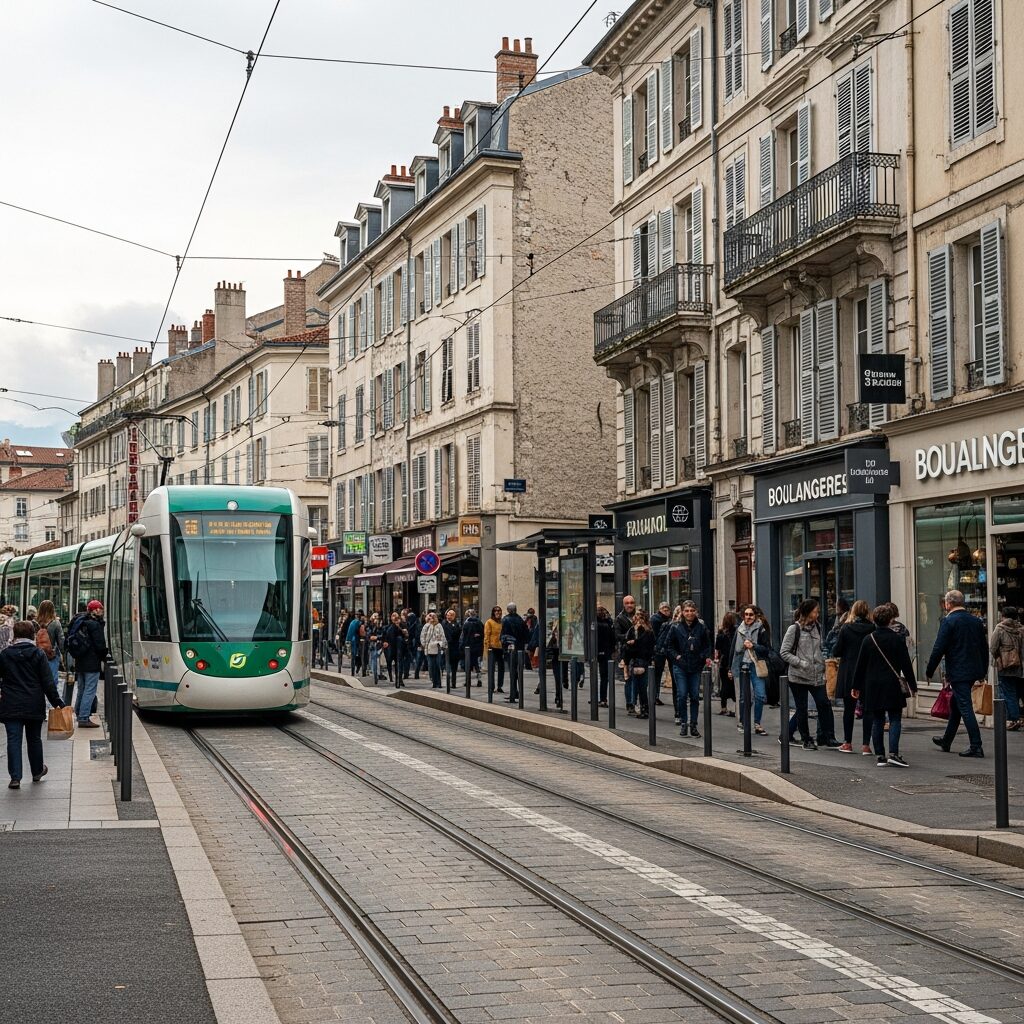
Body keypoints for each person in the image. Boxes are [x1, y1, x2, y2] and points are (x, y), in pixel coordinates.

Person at [0, 620, 67, 788]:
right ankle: (37, 771)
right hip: (33, 703)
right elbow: (48, 683)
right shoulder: (38, 654)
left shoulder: (5, 654)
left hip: (11, 703)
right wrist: (57, 702)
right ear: (32, 635)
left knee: (13, 740)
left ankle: (15, 778)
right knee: (34, 739)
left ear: (15, 635)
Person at [853, 604, 917, 767]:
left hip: (872, 685)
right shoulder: (897, 639)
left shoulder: (868, 639)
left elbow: (860, 665)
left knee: (877, 719)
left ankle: (880, 755)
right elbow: (906, 665)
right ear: (890, 620)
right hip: (892, 685)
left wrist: (856, 686)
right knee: (895, 718)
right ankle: (893, 753)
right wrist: (912, 685)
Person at [927, 590, 989, 757]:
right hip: (973, 670)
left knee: (965, 707)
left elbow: (939, 647)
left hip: (959, 671)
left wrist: (929, 670)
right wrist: (983, 670)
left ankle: (976, 745)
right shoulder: (976, 621)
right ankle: (947, 740)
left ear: (948, 604)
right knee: (956, 705)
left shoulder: (948, 621)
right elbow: (984, 648)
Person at [781, 599, 830, 749]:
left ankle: (825, 736)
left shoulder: (818, 627)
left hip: (816, 675)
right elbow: (784, 652)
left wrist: (823, 661)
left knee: (823, 703)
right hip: (798, 676)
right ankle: (806, 739)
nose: (817, 614)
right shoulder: (794, 629)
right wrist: (800, 662)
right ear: (807, 612)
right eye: (815, 611)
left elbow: (819, 648)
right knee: (802, 708)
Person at [832, 600, 875, 753]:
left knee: (848, 709)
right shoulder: (872, 629)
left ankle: (847, 742)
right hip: (867, 673)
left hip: (849, 671)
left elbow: (836, 650)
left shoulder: (846, 628)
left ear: (853, 612)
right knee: (868, 709)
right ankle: (866, 745)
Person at [667, 601, 713, 738]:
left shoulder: (701, 627)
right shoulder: (675, 627)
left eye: (692, 611)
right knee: (682, 694)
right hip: (680, 666)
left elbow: (708, 645)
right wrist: (677, 657)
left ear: (696, 612)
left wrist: (702, 656)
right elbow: (668, 646)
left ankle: (693, 724)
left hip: (695, 666)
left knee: (694, 696)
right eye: (686, 611)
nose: (689, 613)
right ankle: (683, 722)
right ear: (682, 612)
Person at [730, 605, 771, 735]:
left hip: (756, 665)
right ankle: (743, 722)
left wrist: (753, 645)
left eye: (751, 615)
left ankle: (757, 723)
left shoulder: (761, 629)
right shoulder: (739, 629)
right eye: (746, 615)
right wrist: (729, 668)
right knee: (744, 697)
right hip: (742, 665)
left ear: (756, 616)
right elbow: (733, 650)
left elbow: (767, 649)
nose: (748, 617)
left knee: (760, 695)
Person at [68, 599, 107, 728]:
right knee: (89, 690)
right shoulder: (95, 625)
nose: (102, 611)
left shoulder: (82, 622)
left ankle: (79, 713)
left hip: (80, 661)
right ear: (95, 610)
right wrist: (104, 657)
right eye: (100, 609)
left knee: (82, 689)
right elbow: (100, 645)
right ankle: (84, 718)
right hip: (91, 663)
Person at [989, 606, 1024, 730]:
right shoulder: (1021, 629)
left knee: (1008, 693)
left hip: (1005, 666)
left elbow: (992, 647)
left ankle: (1013, 719)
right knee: (1017, 693)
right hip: (1020, 667)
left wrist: (999, 658)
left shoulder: (1000, 628)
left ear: (1003, 616)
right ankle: (1018, 716)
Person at [622, 609, 656, 719]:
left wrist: (634, 643)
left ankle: (642, 708)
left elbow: (645, 646)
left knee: (640, 687)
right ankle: (641, 708)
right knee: (638, 686)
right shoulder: (633, 630)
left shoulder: (646, 631)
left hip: (641, 661)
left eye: (640, 617)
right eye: (637, 616)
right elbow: (627, 646)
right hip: (636, 661)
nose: (638, 619)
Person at [500, 603, 528, 703]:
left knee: (512, 670)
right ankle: (515, 691)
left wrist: (503, 647)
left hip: (510, 648)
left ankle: (513, 693)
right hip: (519, 648)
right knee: (517, 670)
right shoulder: (520, 619)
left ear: (508, 610)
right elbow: (526, 634)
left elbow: (503, 635)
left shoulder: (505, 620)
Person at [614, 595, 637, 712]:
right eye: (627, 603)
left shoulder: (639, 616)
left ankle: (637, 702)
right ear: (624, 604)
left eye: (631, 603)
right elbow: (616, 635)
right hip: (626, 652)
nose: (629, 605)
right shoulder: (620, 618)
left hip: (639, 652)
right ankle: (630, 703)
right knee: (629, 679)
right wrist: (628, 637)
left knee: (639, 679)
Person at [714, 612, 737, 716]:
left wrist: (717, 659)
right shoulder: (737, 631)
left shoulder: (721, 632)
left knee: (724, 684)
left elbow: (717, 648)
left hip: (724, 661)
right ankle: (736, 708)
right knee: (734, 685)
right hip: (733, 660)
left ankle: (723, 707)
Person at [650, 602, 672, 709]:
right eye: (663, 608)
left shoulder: (669, 620)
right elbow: (654, 635)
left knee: (658, 673)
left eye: (667, 608)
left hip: (666, 649)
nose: (666, 610)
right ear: (659, 609)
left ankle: (655, 695)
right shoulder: (656, 619)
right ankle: (654, 696)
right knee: (657, 674)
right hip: (658, 650)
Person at [419, 612, 448, 689]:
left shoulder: (439, 626)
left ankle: (438, 683)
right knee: (431, 666)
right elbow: (422, 636)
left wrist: (443, 645)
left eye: (434, 617)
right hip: (429, 649)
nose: (432, 618)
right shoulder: (426, 626)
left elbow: (443, 636)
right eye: (430, 616)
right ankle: (433, 681)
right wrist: (424, 645)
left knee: (438, 666)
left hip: (437, 649)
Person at [595, 605, 615, 707]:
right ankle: (603, 698)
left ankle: (601, 698)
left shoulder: (595, 624)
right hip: (606, 652)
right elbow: (613, 638)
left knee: (601, 675)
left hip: (598, 652)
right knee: (604, 676)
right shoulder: (609, 623)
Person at [484, 606, 505, 694]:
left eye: (499, 611)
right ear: (493, 612)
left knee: (501, 668)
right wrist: (487, 648)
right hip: (492, 647)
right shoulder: (489, 622)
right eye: (496, 611)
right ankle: (491, 686)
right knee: (491, 668)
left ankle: (500, 686)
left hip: (501, 647)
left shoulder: (502, 622)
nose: (498, 613)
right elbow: (486, 636)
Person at [382, 612, 405, 687]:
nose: (394, 618)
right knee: (390, 663)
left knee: (399, 664)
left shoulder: (403, 626)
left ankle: (399, 680)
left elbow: (406, 636)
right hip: (391, 649)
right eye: (393, 616)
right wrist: (384, 642)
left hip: (400, 649)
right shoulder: (388, 627)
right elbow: (384, 636)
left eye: (396, 616)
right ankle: (392, 677)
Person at [462, 608, 485, 683]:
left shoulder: (466, 623)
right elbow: (482, 634)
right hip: (477, 646)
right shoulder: (479, 622)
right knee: (477, 664)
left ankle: (467, 681)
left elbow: (464, 636)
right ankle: (479, 680)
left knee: (468, 664)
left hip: (468, 647)